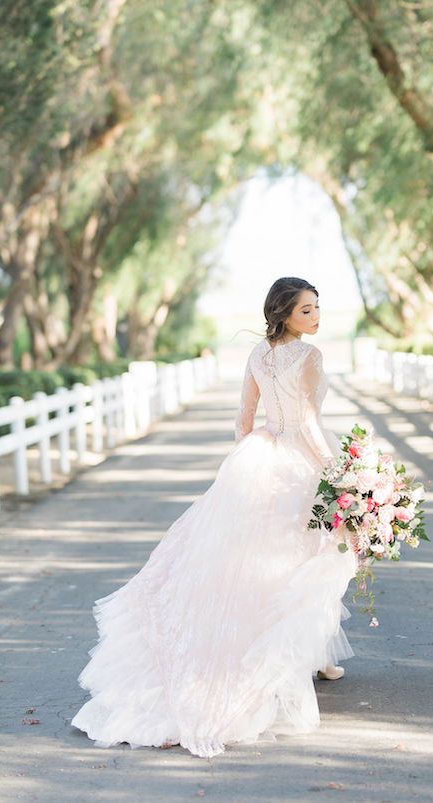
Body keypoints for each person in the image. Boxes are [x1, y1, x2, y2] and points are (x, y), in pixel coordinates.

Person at [71, 276, 358, 758]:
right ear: (284, 313)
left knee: (279, 562)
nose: (315, 316)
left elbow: (244, 418)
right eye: (306, 310)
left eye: (317, 307)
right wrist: (335, 473)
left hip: (259, 456)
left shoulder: (257, 356)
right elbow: (308, 422)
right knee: (314, 558)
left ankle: (320, 657)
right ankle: (300, 658)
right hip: (299, 461)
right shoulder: (309, 357)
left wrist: (246, 468)